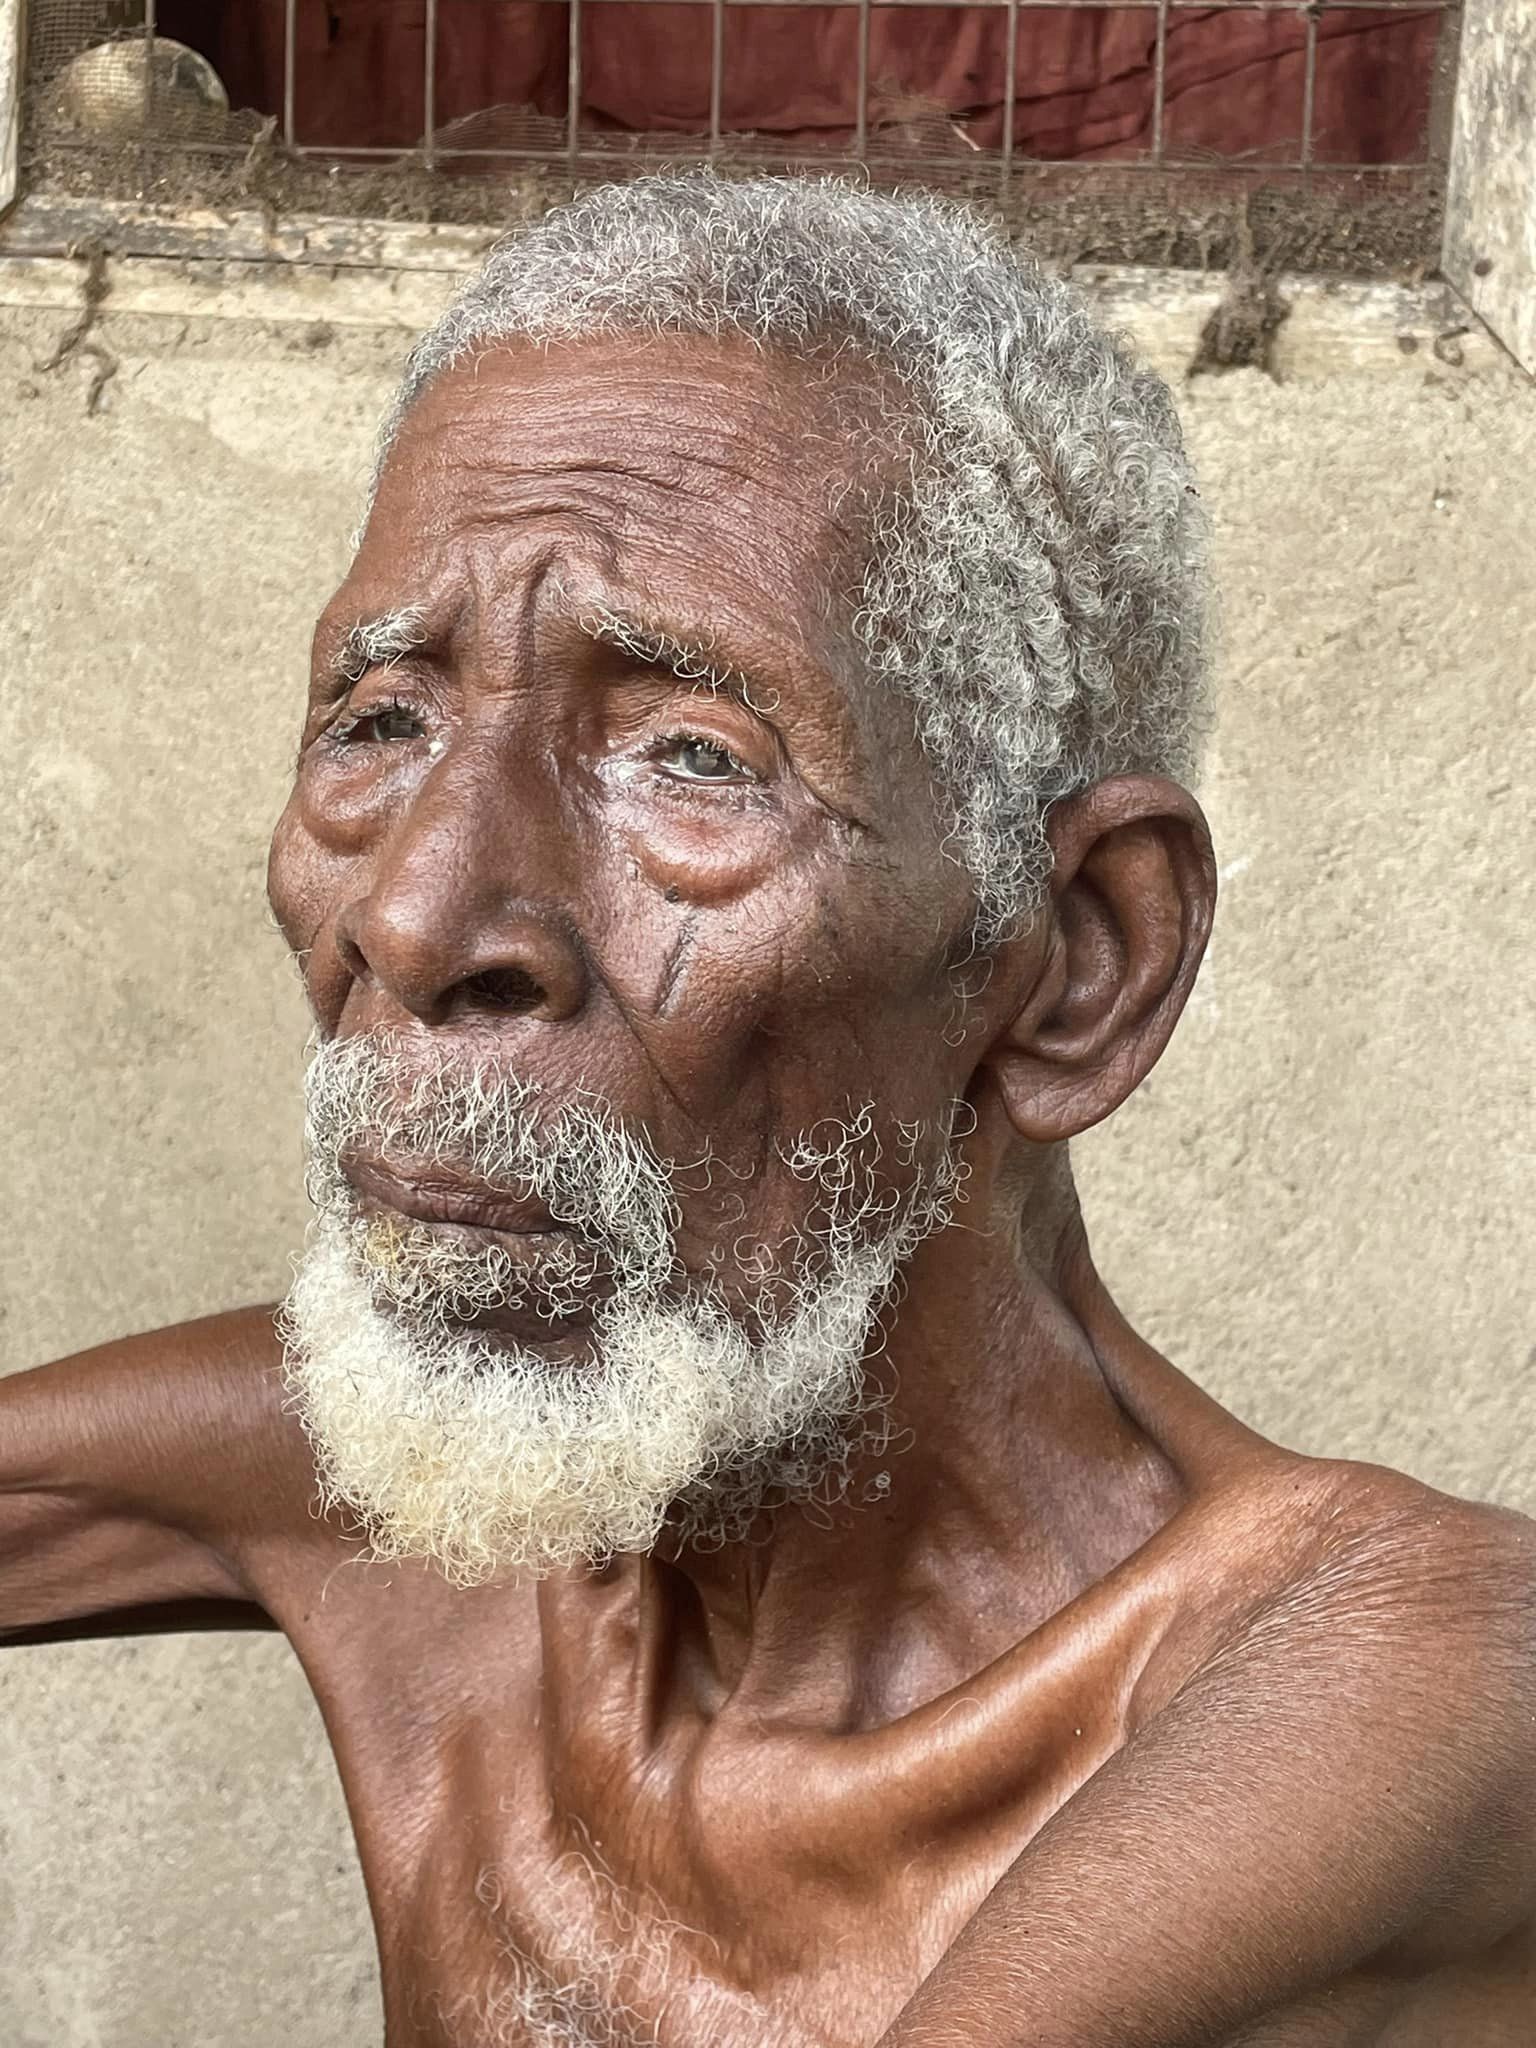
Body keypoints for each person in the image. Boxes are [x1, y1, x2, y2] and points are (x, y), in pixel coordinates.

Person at [3, 175, 1532, 2048]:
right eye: (381, 720)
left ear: (1076, 963)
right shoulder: (404, 1496)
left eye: (694, 758)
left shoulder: (1400, 1681)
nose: (413, 917)